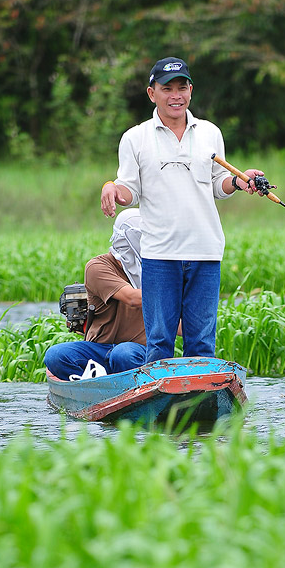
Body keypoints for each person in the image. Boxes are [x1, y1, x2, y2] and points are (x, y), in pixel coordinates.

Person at [100, 55, 265, 364]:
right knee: (159, 342)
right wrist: (111, 187)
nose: (175, 96)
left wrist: (241, 181)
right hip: (160, 254)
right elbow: (129, 189)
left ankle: (199, 407)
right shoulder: (135, 138)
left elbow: (219, 184)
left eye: (182, 87)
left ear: (191, 90)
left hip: (206, 251)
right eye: (167, 89)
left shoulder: (209, 133)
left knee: (201, 343)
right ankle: (160, 410)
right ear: (152, 93)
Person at [44, 208, 147, 380]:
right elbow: (132, 298)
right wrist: (169, 294)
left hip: (136, 351)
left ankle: (115, 382)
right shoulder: (98, 267)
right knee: (55, 355)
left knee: (123, 354)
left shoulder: (156, 270)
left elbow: (178, 324)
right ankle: (94, 383)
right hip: (99, 349)